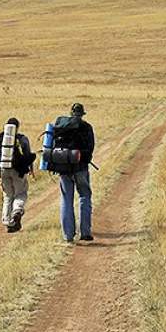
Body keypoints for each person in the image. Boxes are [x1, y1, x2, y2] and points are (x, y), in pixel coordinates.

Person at [0, 117, 36, 233]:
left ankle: (7, 221)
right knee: (20, 193)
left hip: (3, 170)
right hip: (18, 171)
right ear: (18, 127)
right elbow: (28, 156)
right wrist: (31, 170)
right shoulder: (23, 139)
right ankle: (17, 211)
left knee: (7, 196)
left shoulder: (2, 139)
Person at [57, 102, 96, 243]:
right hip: (81, 168)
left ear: (71, 113)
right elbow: (91, 148)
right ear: (82, 114)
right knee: (84, 196)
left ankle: (68, 236)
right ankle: (85, 232)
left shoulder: (62, 126)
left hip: (63, 168)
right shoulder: (86, 127)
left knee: (66, 200)